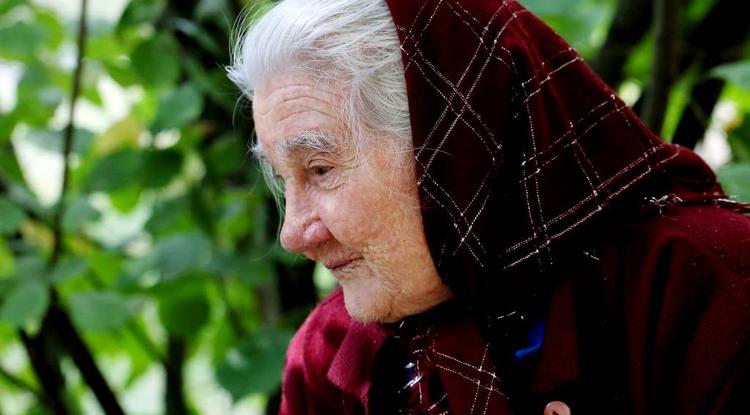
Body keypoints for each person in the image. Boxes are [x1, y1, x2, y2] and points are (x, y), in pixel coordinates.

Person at [228, 0, 750, 413]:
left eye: (320, 169)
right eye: (284, 180)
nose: (293, 234)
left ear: (458, 148)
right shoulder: (332, 353)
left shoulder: (710, 290)